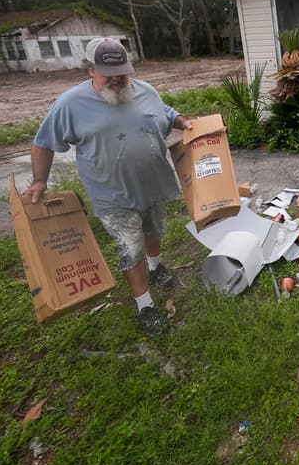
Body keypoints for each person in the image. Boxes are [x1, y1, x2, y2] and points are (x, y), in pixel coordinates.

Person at [24, 38, 190, 335]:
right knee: (131, 247)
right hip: (111, 194)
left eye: (121, 73)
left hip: (152, 184)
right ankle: (145, 306)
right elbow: (43, 143)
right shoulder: (70, 104)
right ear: (90, 71)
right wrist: (39, 181)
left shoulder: (145, 90)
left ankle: (156, 266)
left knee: (154, 231)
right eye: (107, 74)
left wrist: (185, 123)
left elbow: (165, 112)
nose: (116, 80)